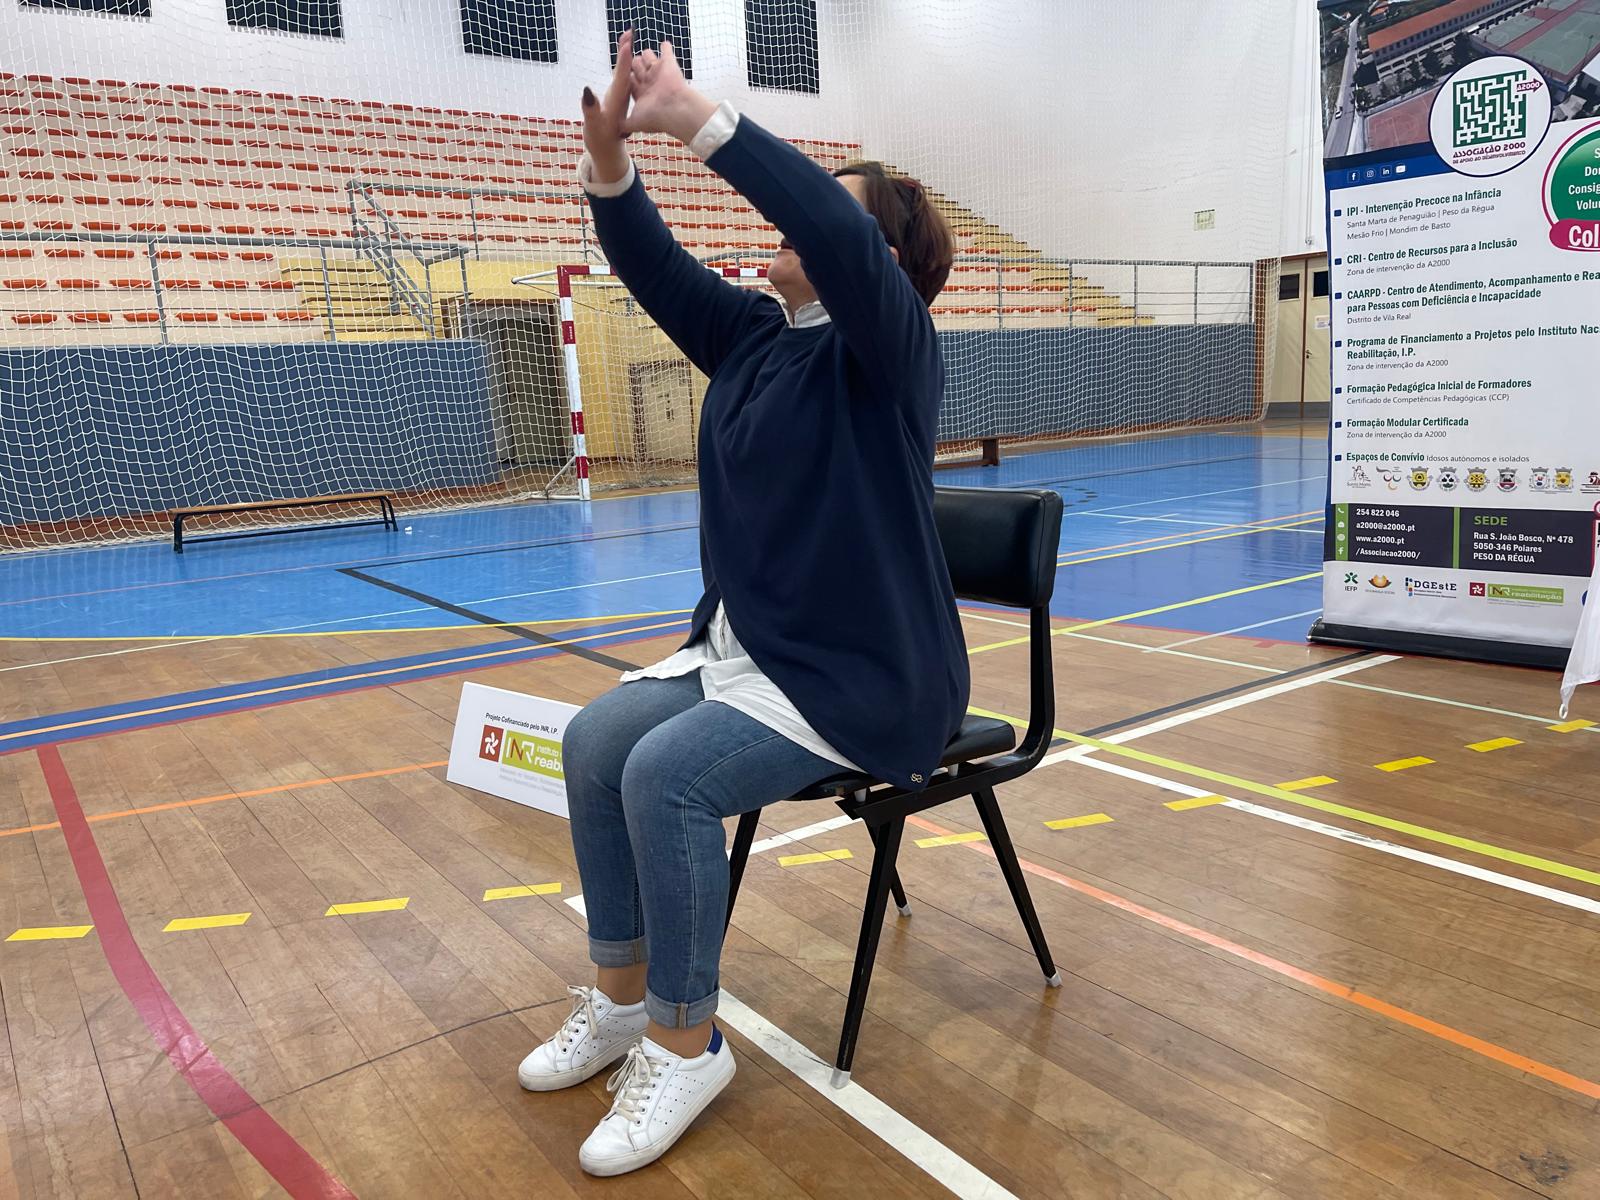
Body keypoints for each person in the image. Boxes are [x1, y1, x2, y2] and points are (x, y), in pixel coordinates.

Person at [517, 30, 968, 1177]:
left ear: (875, 258)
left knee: (665, 779)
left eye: (827, 213)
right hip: (751, 650)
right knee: (594, 744)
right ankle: (622, 998)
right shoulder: (757, 338)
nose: (794, 223)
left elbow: (829, 228)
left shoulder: (888, 352)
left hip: (864, 675)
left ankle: (687, 1041)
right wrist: (611, 159)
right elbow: (652, 263)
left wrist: (695, 118)